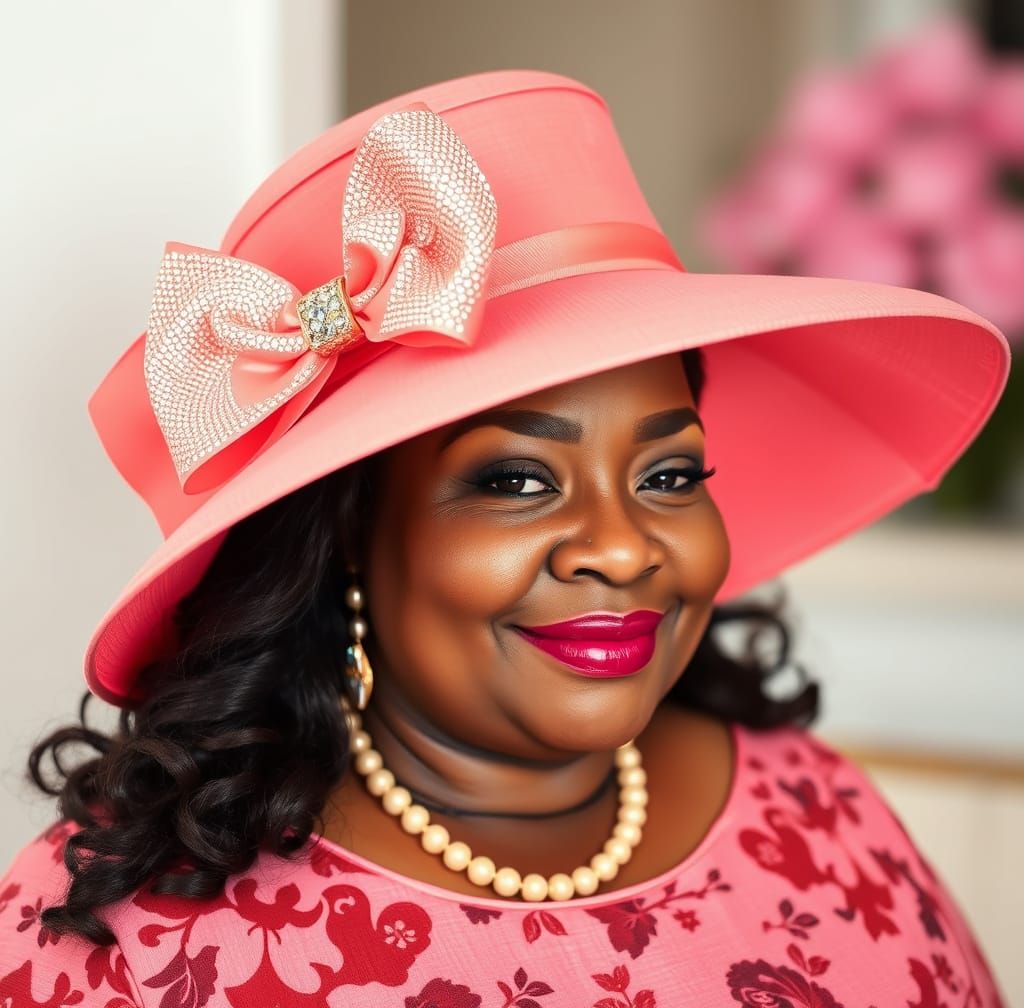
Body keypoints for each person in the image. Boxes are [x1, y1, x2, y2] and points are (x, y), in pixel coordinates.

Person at [0, 69, 1010, 1006]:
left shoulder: (822, 812)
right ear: (347, 525)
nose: (623, 548)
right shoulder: (124, 941)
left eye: (668, 475)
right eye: (516, 480)